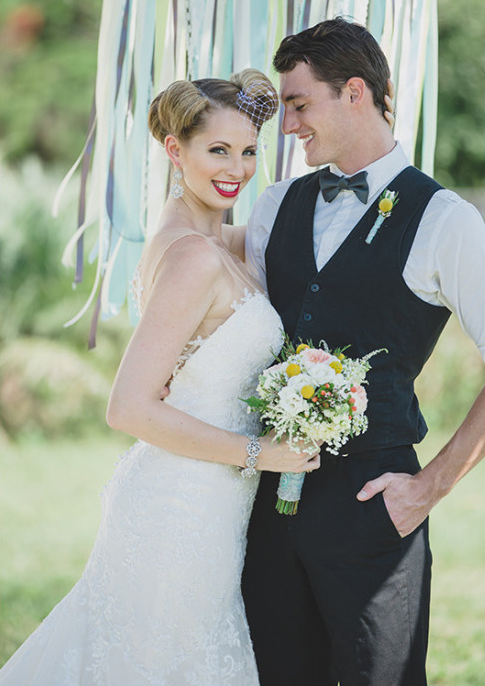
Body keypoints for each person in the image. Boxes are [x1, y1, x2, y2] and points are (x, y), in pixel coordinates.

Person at [242, 18, 485, 686]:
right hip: (265, 502)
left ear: (354, 92)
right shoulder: (273, 207)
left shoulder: (444, 219)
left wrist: (427, 488)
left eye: (298, 105)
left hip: (372, 503)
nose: (287, 127)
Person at [0, 70, 322, 686]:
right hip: (180, 506)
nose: (238, 168)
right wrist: (263, 452)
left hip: (213, 503)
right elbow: (127, 408)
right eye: (218, 150)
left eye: (250, 150)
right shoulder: (194, 256)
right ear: (176, 150)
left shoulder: (218, 240)